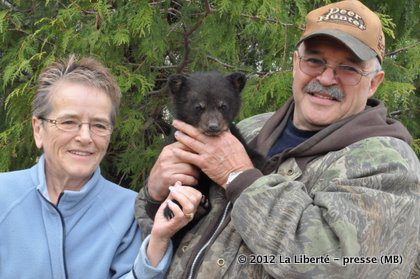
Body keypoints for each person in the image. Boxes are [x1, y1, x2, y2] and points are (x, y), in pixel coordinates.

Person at [136, 0, 420, 278]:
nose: (326, 77)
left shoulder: (391, 168)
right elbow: (159, 233)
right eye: (314, 60)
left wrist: (239, 177)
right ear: (296, 63)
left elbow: (335, 266)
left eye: (348, 68)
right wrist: (154, 195)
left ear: (374, 82)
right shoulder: (249, 130)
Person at [0, 55, 203, 279]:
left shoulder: (129, 211)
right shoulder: (4, 195)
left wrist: (158, 242)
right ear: (38, 129)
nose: (85, 137)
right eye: (69, 122)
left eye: (99, 125)